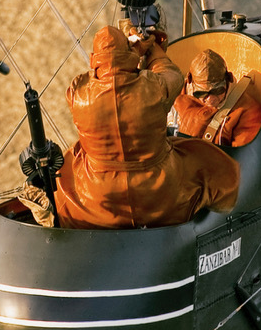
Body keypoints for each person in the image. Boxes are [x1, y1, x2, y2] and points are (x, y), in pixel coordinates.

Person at [53, 25, 239, 230]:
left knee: (73, 157)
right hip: (159, 195)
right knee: (205, 157)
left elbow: (96, 77)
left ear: (95, 58)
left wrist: (125, 55)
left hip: (100, 199)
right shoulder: (153, 87)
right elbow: (172, 74)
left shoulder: (77, 94)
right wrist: (145, 51)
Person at [172, 49, 261, 147]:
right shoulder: (173, 97)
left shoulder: (247, 110)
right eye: (201, 93)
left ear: (229, 79)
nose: (210, 99)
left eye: (217, 91)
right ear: (190, 81)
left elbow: (243, 156)